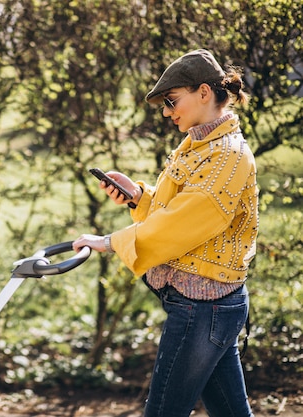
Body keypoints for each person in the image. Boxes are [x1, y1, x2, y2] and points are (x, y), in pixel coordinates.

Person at [73, 49, 258, 417]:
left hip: (203, 310)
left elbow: (182, 224)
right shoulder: (200, 144)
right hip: (208, 306)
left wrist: (109, 242)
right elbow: (183, 209)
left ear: (204, 92)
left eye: (172, 101)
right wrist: (139, 197)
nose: (166, 111)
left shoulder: (227, 155)